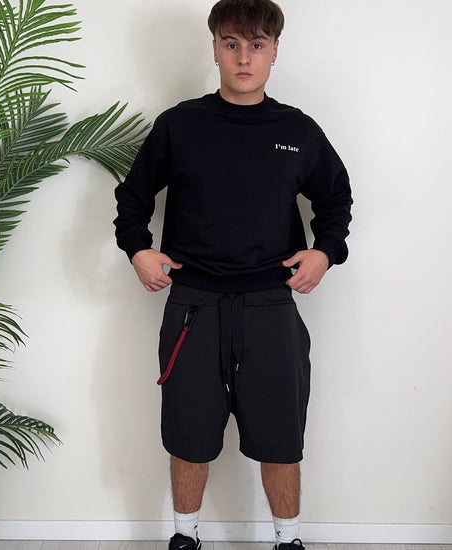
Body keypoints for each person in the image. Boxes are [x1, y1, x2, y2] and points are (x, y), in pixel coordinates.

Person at [114, 1, 353, 549]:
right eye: (232, 44)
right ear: (216, 49)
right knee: (189, 433)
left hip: (270, 304)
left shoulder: (297, 129)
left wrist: (324, 252)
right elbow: (133, 197)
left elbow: (336, 199)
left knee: (280, 435)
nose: (244, 58)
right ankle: (184, 537)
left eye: (257, 45)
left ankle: (288, 540)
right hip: (193, 305)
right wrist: (138, 250)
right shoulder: (180, 125)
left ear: (274, 52)